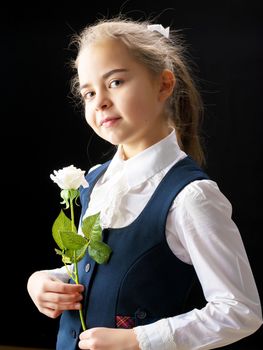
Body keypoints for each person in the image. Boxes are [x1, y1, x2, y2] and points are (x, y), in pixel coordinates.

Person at [27, 15, 262, 350]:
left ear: (163, 85)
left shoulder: (191, 197)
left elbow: (240, 311)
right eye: (89, 92)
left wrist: (139, 339)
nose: (101, 101)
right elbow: (92, 270)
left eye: (116, 82)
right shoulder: (95, 180)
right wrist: (46, 282)